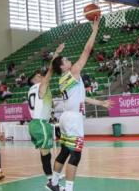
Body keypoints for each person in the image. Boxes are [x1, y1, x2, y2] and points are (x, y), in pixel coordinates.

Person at [50, 18, 113, 191]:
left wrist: (101, 103)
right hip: (72, 119)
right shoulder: (73, 73)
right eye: (67, 60)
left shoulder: (63, 80)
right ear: (63, 66)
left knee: (64, 152)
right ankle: (68, 189)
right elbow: (87, 50)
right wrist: (94, 30)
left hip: (65, 117)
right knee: (75, 154)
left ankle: (54, 183)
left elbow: (82, 98)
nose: (70, 61)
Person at [27, 43, 64, 188]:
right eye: (38, 76)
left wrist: (53, 106)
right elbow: (50, 70)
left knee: (45, 152)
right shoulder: (40, 86)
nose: (41, 76)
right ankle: (50, 181)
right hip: (40, 124)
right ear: (35, 80)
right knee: (46, 154)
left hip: (37, 123)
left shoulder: (35, 90)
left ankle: (51, 177)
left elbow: (46, 104)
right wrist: (56, 53)